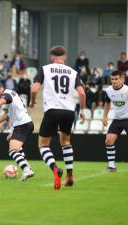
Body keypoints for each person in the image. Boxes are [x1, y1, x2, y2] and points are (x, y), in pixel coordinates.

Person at [30, 46, 86, 190]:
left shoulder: (45, 68)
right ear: (65, 57)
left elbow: (34, 88)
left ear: (51, 57)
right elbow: (82, 93)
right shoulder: (73, 72)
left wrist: (32, 101)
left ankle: (55, 168)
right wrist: (83, 111)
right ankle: (70, 175)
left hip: (52, 110)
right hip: (69, 111)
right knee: (66, 141)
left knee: (43, 145)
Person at [0, 79, 35, 181]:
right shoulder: (8, 97)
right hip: (24, 124)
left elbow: (0, 102)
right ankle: (27, 167)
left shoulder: (7, 94)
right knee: (10, 139)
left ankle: (27, 170)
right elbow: (7, 115)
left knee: (12, 151)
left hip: (22, 124)